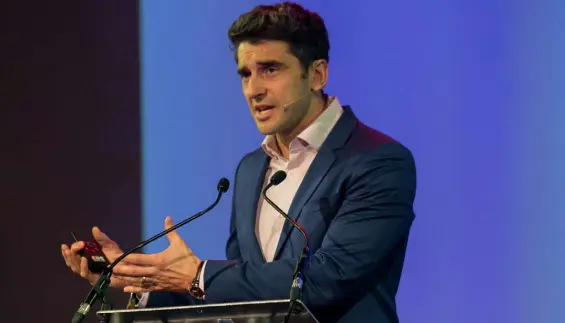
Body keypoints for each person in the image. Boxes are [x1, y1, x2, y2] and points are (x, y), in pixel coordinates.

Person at [61, 2, 417, 322]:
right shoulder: (251, 170)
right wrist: (139, 281)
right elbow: (240, 301)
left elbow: (328, 280)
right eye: (245, 74)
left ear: (317, 74)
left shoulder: (378, 161)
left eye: (270, 70)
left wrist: (198, 275)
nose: (253, 89)